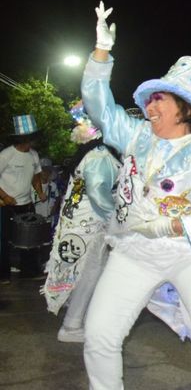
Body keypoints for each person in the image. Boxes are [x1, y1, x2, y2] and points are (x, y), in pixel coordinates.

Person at [80, 1, 191, 388]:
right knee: (99, 333)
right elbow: (101, 109)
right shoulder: (136, 136)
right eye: (150, 97)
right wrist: (101, 54)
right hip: (134, 251)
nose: (149, 105)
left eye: (160, 99)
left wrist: (170, 225)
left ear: (184, 109)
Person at [43, 101, 120, 343]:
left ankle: (76, 314)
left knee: (82, 270)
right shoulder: (100, 156)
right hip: (92, 225)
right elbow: (98, 192)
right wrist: (118, 220)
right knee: (91, 271)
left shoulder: (92, 154)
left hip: (79, 222)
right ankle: (72, 325)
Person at [0, 114, 47, 281]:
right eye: (30, 138)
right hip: (5, 205)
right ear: (21, 138)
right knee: (3, 240)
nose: (32, 142)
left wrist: (40, 192)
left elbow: (36, 176)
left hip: (26, 203)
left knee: (29, 238)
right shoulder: (6, 155)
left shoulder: (33, 155)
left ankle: (30, 272)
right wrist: (5, 196)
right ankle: (3, 275)